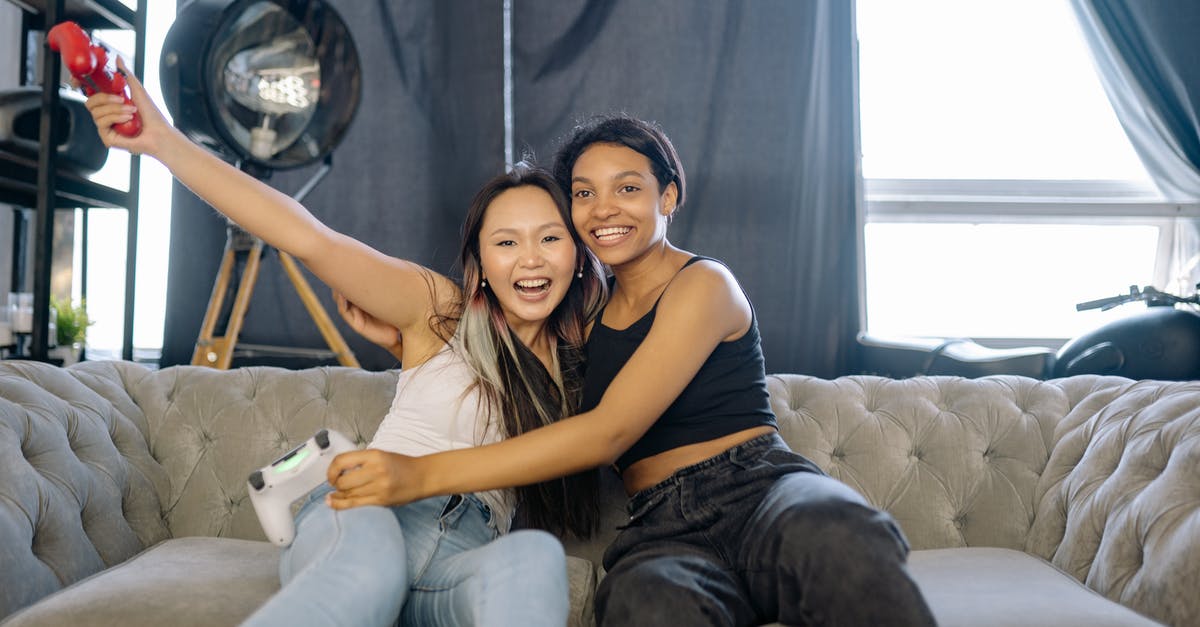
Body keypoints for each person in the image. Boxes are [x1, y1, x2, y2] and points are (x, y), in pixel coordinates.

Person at [326, 115, 938, 626]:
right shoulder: (583, 323)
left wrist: (419, 474)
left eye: (627, 188)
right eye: (584, 193)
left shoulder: (705, 284)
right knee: (642, 600)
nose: (603, 209)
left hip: (761, 489)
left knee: (835, 532)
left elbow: (609, 431)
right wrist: (420, 341)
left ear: (668, 195)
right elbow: (512, 365)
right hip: (661, 524)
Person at [84, 59, 608, 627]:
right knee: (362, 580)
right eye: (507, 242)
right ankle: (327, 497)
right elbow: (307, 237)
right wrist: (163, 142)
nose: (531, 258)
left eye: (550, 238)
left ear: (579, 256)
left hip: (467, 549)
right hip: (367, 512)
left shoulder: (585, 362)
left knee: (535, 557)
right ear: (479, 267)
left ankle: (333, 473)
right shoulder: (442, 312)